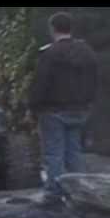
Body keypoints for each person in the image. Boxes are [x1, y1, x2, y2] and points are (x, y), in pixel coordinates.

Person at [30, 12, 99, 206]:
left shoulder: (50, 54)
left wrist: (34, 106)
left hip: (53, 111)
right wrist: (89, 102)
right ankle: (82, 192)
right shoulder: (87, 51)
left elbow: (41, 84)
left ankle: (54, 194)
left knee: (54, 154)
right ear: (71, 28)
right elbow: (94, 79)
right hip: (80, 109)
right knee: (74, 152)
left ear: (52, 29)